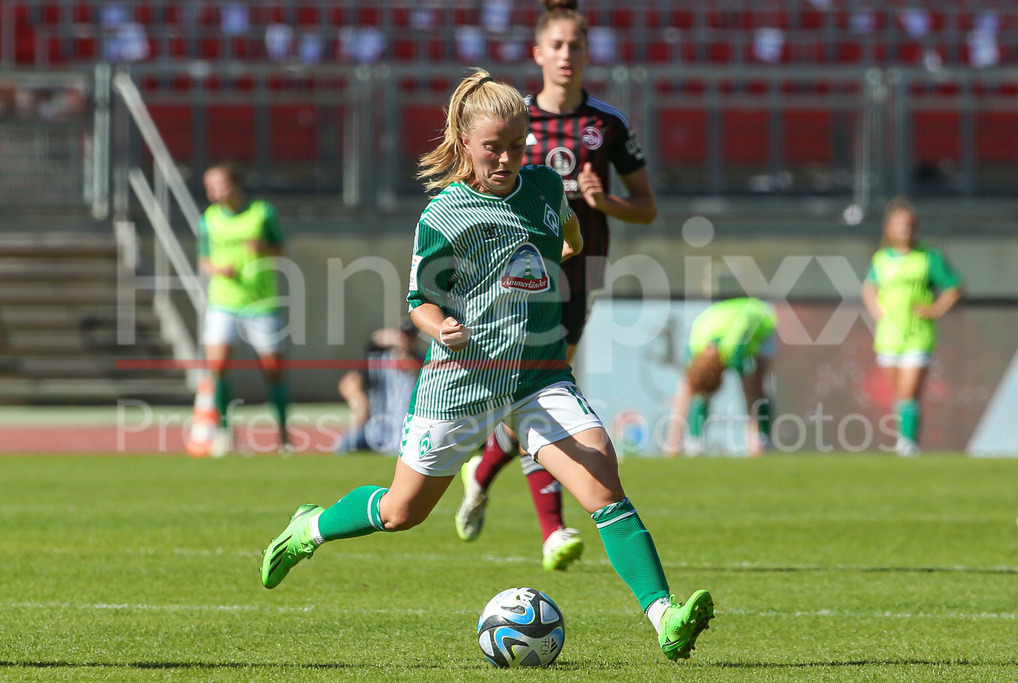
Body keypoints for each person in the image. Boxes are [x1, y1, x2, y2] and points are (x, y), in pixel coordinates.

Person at [260, 70, 713, 662]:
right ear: (464, 141)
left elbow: (571, 236)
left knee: (602, 478)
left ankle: (665, 617)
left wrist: (556, 262)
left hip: (539, 376)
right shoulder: (444, 215)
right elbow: (419, 300)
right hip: (461, 384)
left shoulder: (548, 188)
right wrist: (438, 326)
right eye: (492, 146)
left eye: (517, 145)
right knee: (402, 513)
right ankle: (312, 526)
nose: (506, 158)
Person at [454, 0, 659, 572]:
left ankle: (485, 466)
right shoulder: (512, 119)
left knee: (534, 397)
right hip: (512, 278)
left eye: (577, 46)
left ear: (588, 53)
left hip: (582, 268)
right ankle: (553, 530)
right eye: (558, 45)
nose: (567, 55)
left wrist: (605, 200)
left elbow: (646, 208)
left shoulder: (608, 126)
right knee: (539, 394)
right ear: (538, 52)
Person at [198, 162, 290, 455]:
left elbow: (280, 248)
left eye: (219, 184)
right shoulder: (209, 218)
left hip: (261, 303)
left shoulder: (262, 212)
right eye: (209, 186)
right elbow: (203, 259)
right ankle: (224, 433)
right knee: (218, 366)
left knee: (272, 369)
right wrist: (216, 269)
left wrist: (262, 248)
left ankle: (283, 436)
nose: (213, 191)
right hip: (224, 302)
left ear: (235, 183)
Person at [861, 197, 963, 456]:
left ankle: (907, 445)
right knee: (900, 394)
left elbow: (954, 286)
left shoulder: (928, 257)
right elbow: (869, 286)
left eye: (908, 224)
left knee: (908, 390)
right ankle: (907, 440)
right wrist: (875, 308)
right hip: (889, 334)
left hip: (918, 333)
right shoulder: (881, 258)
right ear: (889, 228)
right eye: (898, 225)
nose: (904, 229)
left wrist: (935, 309)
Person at [662, 298, 779, 457]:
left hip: (760, 319)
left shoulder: (734, 350)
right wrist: (672, 448)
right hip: (723, 317)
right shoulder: (695, 345)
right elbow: (686, 390)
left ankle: (761, 441)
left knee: (756, 389)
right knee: (690, 389)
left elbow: (750, 395)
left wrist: (754, 444)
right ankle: (688, 444)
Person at [335, 317, 423, 455]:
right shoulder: (379, 360)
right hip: (374, 430)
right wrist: (359, 402)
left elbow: (417, 372)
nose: (406, 340)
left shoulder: (422, 361)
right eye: (403, 335)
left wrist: (406, 358)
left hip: (404, 433)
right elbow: (348, 383)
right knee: (345, 446)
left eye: (410, 336)